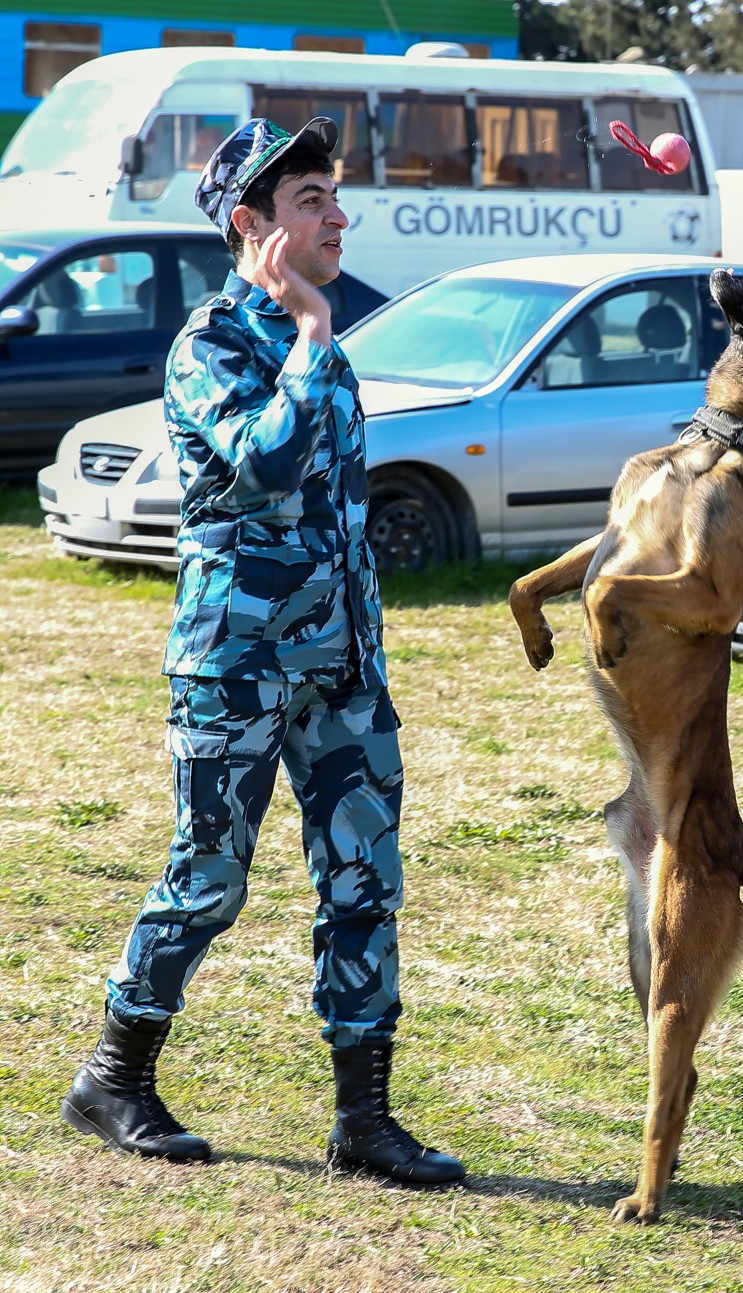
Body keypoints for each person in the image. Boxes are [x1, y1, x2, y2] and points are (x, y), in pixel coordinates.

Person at [60, 117, 465, 1187]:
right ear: (252, 224)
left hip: (341, 667)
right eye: (312, 201)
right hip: (234, 663)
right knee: (208, 880)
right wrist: (308, 329)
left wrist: (362, 646)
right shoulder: (211, 346)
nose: (338, 216)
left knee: (364, 880)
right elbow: (265, 466)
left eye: (334, 196)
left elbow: (337, 510)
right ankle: (114, 1078)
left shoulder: (318, 343)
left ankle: (364, 1123)